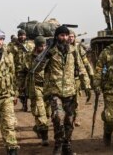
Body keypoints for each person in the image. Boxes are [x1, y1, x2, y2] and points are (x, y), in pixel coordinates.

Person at [35, 26, 91, 155]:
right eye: (61, 35)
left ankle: (67, 144)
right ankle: (58, 145)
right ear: (56, 37)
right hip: (55, 92)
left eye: (66, 35)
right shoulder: (50, 51)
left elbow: (81, 68)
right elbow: (38, 70)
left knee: (69, 120)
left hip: (70, 92)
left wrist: (87, 85)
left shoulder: (73, 50)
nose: (64, 38)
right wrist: (45, 56)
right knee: (58, 118)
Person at [19, 36, 50, 146]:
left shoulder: (49, 56)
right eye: (40, 45)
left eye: (44, 45)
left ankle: (38, 127)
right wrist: (20, 87)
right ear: (36, 46)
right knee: (40, 112)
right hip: (35, 87)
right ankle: (45, 137)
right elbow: (22, 72)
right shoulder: (29, 56)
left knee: (48, 113)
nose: (43, 47)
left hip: (48, 87)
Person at [68, 30, 94, 127]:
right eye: (69, 36)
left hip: (76, 78)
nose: (71, 38)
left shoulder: (78, 48)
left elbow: (85, 62)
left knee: (76, 99)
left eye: (72, 36)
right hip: (65, 79)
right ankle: (68, 117)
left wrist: (90, 73)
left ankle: (76, 117)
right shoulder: (63, 48)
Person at [7, 29, 34, 112]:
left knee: (30, 87)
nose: (22, 37)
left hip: (29, 69)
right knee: (21, 88)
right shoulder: (13, 46)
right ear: (18, 36)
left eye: (23, 35)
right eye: (20, 35)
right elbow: (10, 57)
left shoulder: (30, 45)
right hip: (19, 70)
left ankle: (31, 105)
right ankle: (24, 104)